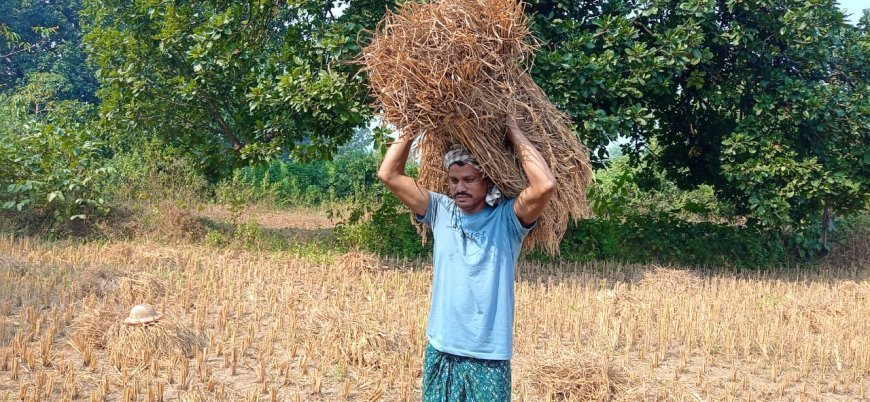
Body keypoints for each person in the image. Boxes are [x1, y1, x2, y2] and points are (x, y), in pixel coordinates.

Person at [377, 116, 556, 401]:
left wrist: (512, 128)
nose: (460, 187)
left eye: (469, 180)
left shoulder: (507, 220)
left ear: (487, 181)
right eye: (454, 180)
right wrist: (412, 123)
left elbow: (545, 185)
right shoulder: (440, 210)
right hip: (442, 348)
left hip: (488, 355)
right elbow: (389, 174)